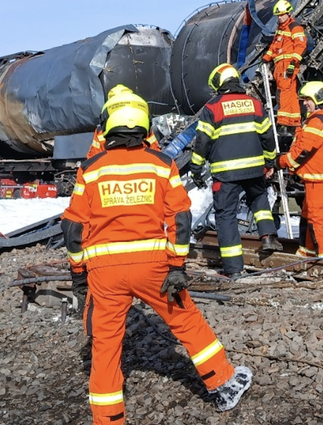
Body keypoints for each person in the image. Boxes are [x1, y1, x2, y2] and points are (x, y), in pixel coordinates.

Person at [62, 100, 253, 424]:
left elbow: (73, 228)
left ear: (108, 127)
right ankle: (223, 383)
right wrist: (177, 265)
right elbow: (180, 216)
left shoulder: (90, 169)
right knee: (186, 321)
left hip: (105, 273)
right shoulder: (161, 164)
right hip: (153, 267)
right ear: (144, 126)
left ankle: (108, 419)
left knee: (106, 347)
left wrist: (79, 274)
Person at [190, 63, 281, 275]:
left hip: (226, 173)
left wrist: (196, 167)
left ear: (220, 84)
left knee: (226, 217)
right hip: (254, 169)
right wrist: (269, 162)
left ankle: (234, 269)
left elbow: (202, 142)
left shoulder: (212, 108)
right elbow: (267, 136)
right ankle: (268, 236)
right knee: (258, 200)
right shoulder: (255, 104)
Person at [279, 81, 323, 260]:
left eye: (308, 99)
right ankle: (306, 252)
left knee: (319, 219)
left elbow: (303, 149)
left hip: (319, 179)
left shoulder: (317, 121)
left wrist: (282, 161)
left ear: (319, 99)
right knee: (310, 215)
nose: (305, 103)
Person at [262, 0, 307, 129]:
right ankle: (291, 121)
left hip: (287, 65)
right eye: (278, 15)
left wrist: (293, 63)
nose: (280, 18)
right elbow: (274, 46)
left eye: (282, 15)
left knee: (286, 92)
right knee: (286, 92)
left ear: (288, 13)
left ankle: (285, 121)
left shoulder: (294, 27)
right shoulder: (280, 30)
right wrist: (266, 58)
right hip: (279, 66)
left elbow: (300, 45)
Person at [86, 85, 159, 157]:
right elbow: (155, 151)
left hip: (109, 164)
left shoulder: (101, 129)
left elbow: (93, 156)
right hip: (143, 161)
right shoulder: (143, 126)